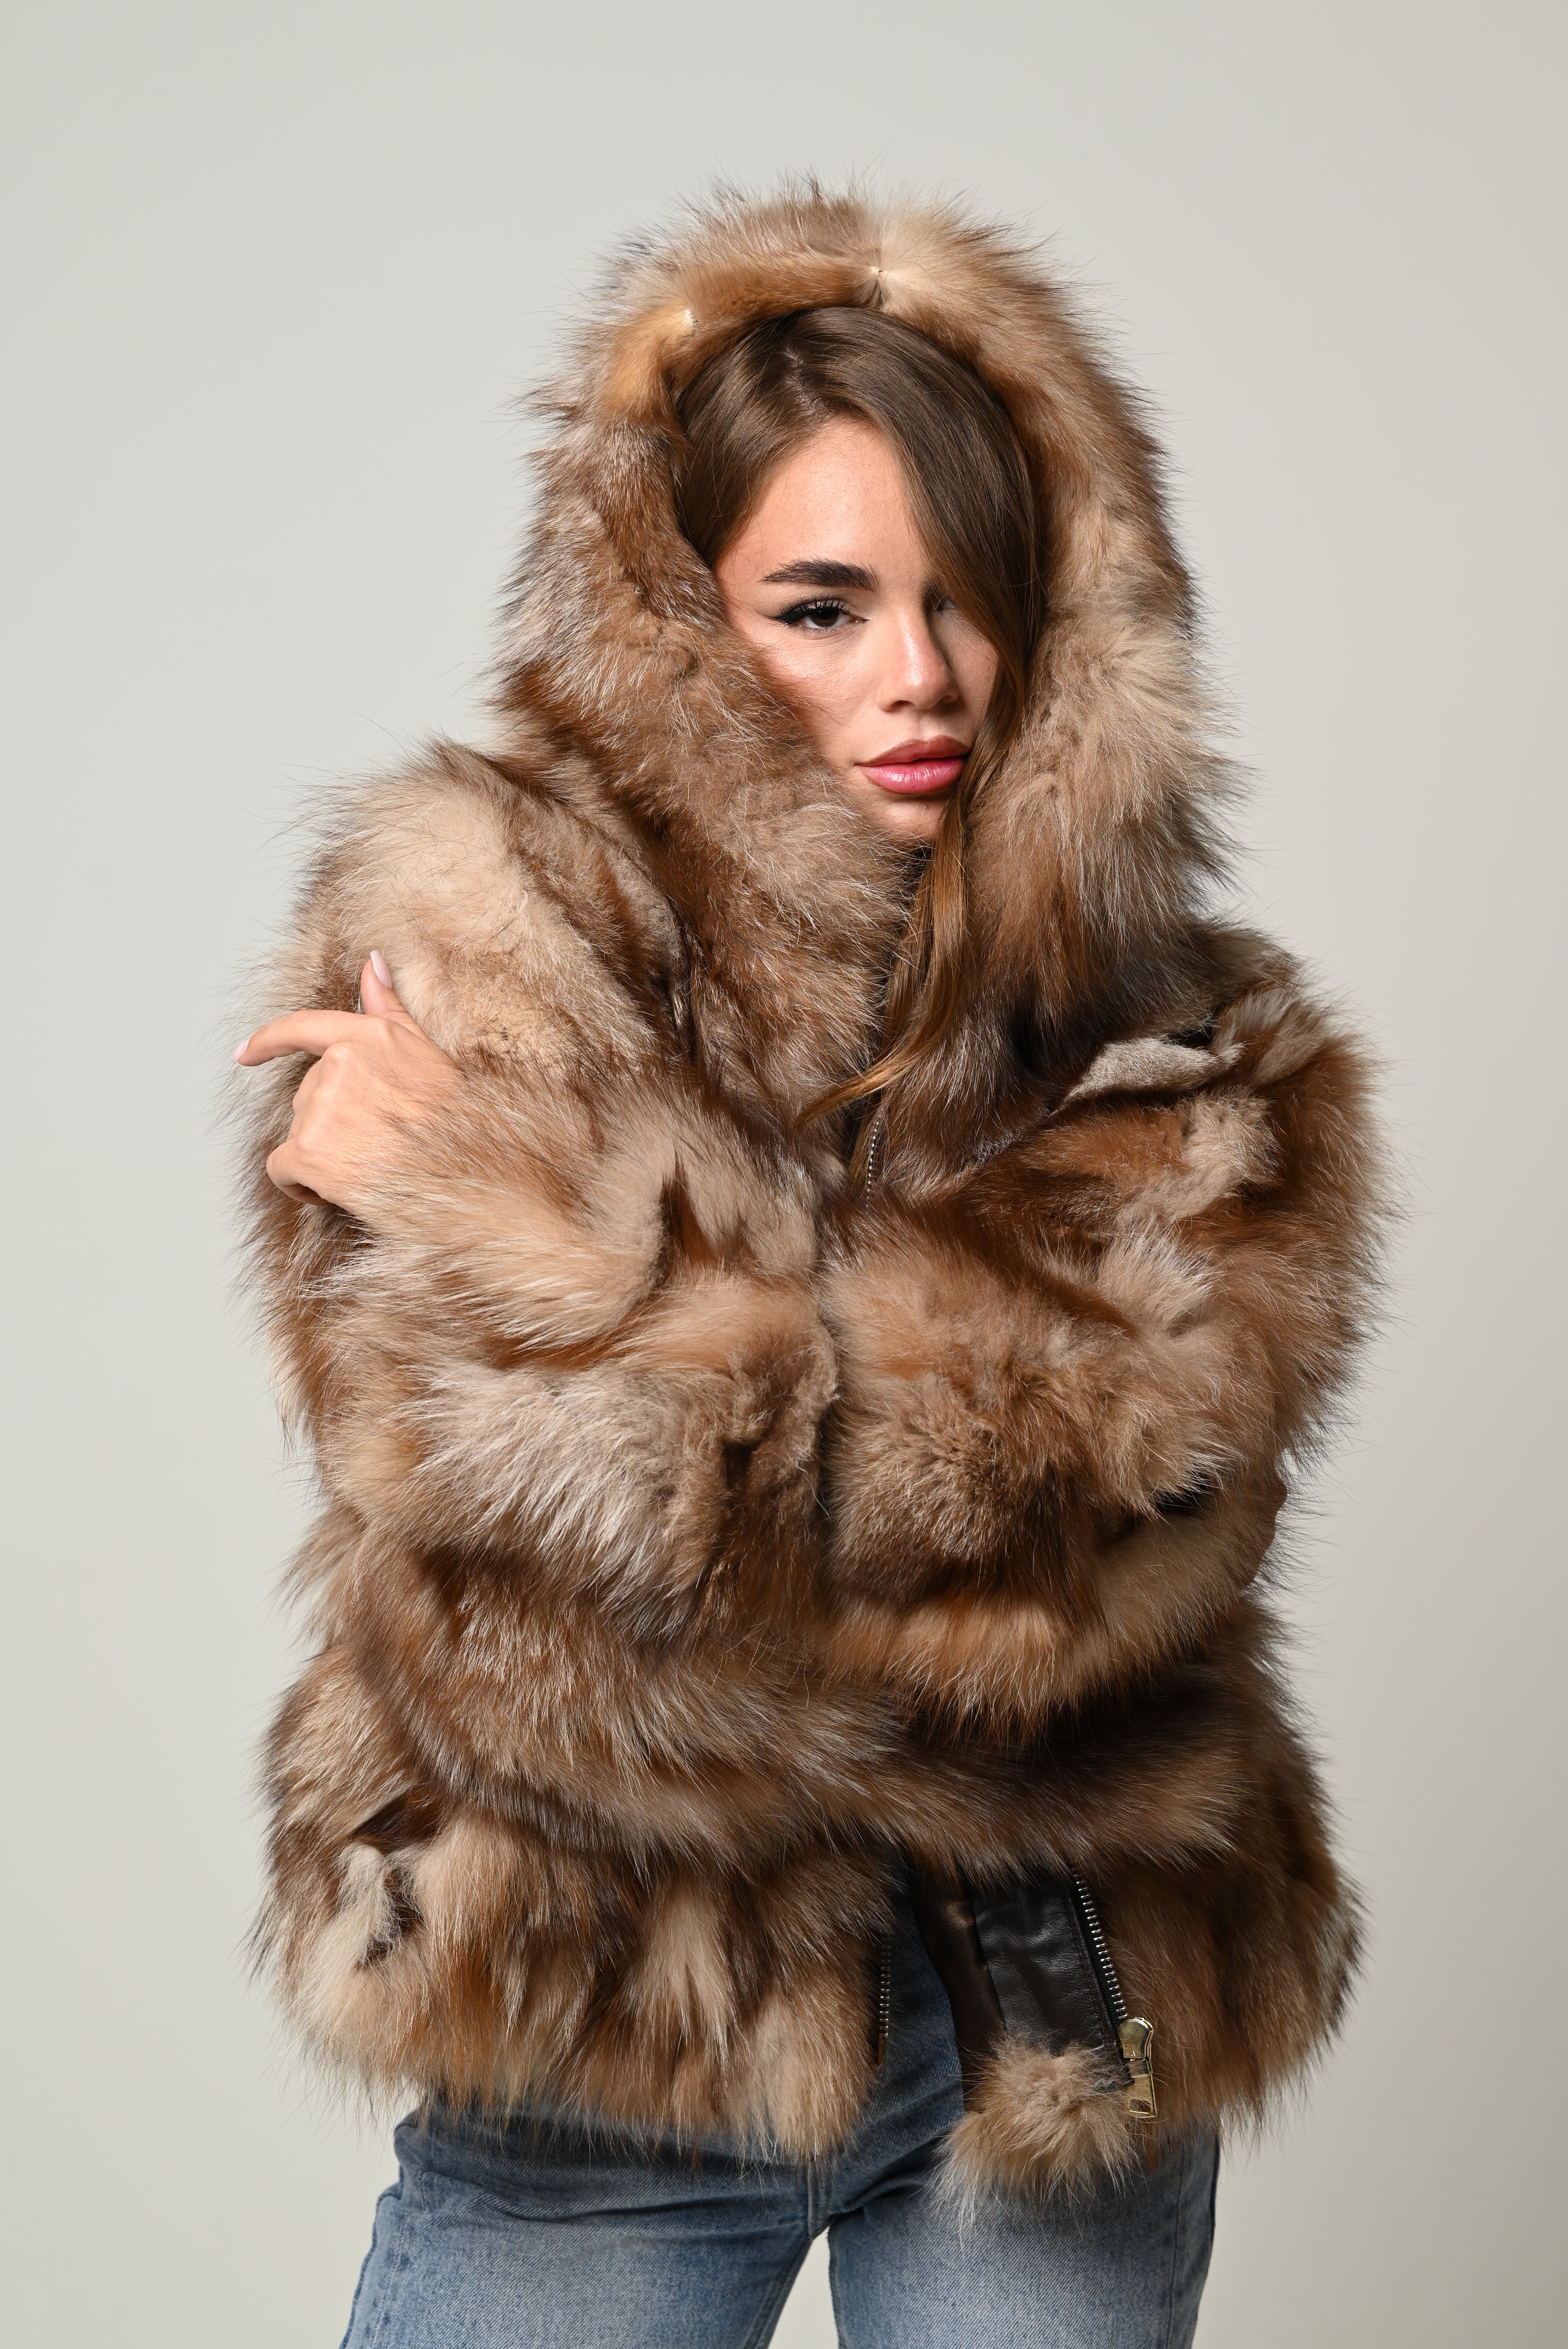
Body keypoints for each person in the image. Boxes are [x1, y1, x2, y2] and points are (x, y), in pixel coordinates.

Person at [235, 188, 1383, 2349]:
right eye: (823, 607)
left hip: (1057, 2010)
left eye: (968, 603)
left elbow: (1079, 1519)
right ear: (672, 623)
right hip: (609, 2001)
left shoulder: (1208, 1056)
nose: (917, 677)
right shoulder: (467, 930)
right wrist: (894, 1541)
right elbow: (464, 1526)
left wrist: (506, 1213)